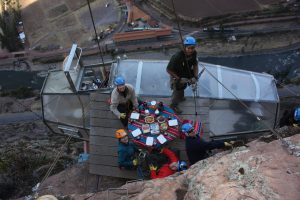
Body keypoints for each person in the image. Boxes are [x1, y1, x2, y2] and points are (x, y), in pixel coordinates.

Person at [166, 36, 199, 114]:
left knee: (183, 86)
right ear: (184, 47)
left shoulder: (194, 53)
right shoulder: (177, 56)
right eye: (188, 48)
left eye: (192, 48)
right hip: (176, 74)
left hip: (186, 72)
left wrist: (195, 76)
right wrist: (178, 79)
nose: (190, 50)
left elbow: (195, 65)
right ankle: (173, 105)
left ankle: (181, 97)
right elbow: (168, 70)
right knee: (177, 89)